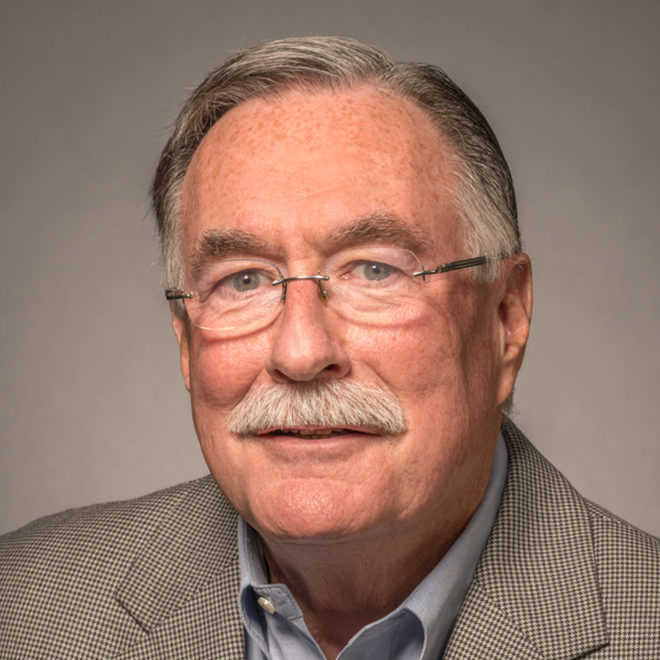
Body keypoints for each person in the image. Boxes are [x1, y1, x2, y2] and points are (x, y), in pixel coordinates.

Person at [1, 36, 658, 660]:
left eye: (374, 270)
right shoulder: (24, 609)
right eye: (243, 280)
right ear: (186, 341)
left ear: (505, 318)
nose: (300, 352)